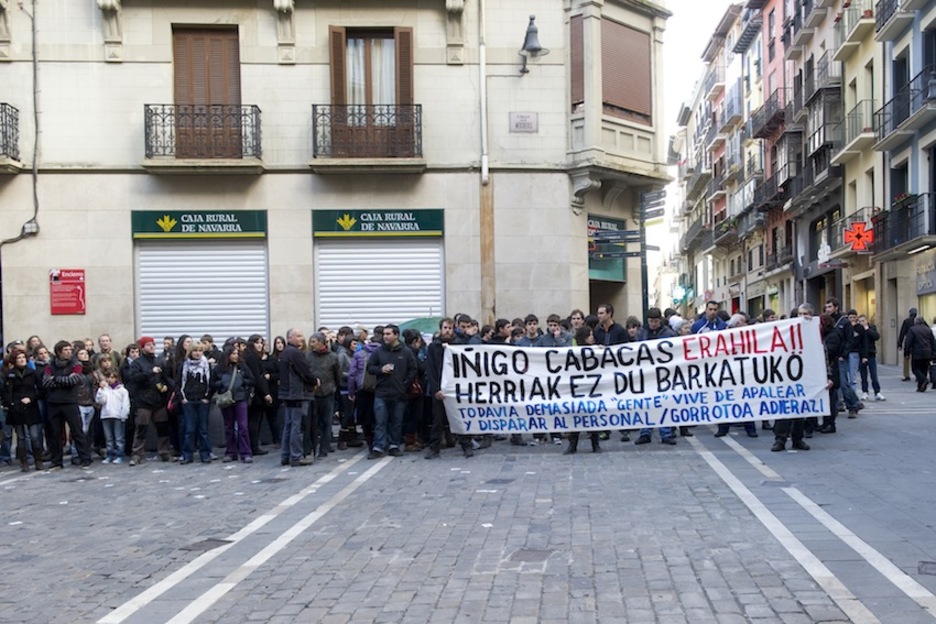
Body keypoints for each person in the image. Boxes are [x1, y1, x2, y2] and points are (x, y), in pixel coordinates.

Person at [425, 318, 474, 459]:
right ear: (441, 329)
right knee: (438, 421)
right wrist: (435, 390)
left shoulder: (459, 345)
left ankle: (466, 445)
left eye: (450, 328)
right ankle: (434, 448)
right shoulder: (433, 347)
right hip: (440, 390)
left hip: (456, 389)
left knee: (460, 418)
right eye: (445, 328)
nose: (447, 330)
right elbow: (431, 370)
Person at [366, 324, 417, 459]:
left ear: (396, 335)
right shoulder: (379, 351)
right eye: (384, 334)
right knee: (380, 421)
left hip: (399, 393)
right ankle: (378, 446)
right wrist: (381, 370)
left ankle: (394, 445)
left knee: (396, 421)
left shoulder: (405, 352)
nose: (385, 336)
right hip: (382, 393)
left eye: (388, 334)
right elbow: (370, 367)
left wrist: (405, 383)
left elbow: (413, 369)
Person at [42, 340, 93, 469]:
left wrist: (56, 379)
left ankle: (85, 459)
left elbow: (74, 379)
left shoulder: (76, 364)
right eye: (65, 350)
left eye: (70, 350)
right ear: (58, 352)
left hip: (70, 402)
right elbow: (46, 381)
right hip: (54, 402)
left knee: (77, 431)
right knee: (55, 433)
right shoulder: (50, 364)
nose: (69, 352)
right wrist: (63, 380)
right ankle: (57, 461)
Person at [634, 308, 679, 445]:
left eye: (655, 321)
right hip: (647, 374)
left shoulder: (670, 334)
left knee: (664, 403)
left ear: (660, 320)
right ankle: (645, 432)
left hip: (664, 374)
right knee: (646, 404)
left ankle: (665, 433)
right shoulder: (642, 333)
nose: (653, 324)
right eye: (651, 321)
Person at [126, 336, 172, 466]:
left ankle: (164, 452)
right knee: (141, 428)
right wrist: (150, 372)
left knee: (163, 428)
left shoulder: (159, 361)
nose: (151, 347)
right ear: (142, 347)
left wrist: (165, 386)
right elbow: (135, 378)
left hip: (158, 400)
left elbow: (164, 377)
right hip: (143, 401)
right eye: (148, 345)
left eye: (153, 344)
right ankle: (137, 454)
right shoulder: (137, 363)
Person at [772, 304, 812, 452]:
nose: (802, 317)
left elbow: (822, 355)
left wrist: (827, 376)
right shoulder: (787, 332)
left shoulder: (815, 333)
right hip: (787, 375)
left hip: (805, 375)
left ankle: (797, 439)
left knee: (800, 409)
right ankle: (780, 439)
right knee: (784, 409)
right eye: (800, 314)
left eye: (806, 314)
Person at [278, 328, 317, 467]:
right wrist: (314, 381)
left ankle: (286, 455)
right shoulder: (295, 353)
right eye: (298, 336)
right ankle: (296, 456)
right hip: (297, 394)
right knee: (297, 425)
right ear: (289, 338)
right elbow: (305, 372)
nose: (301, 338)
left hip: (288, 394)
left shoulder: (285, 353)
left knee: (289, 425)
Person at [2, 348, 45, 471]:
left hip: (31, 407)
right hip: (16, 409)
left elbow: (41, 390)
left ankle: (38, 459)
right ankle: (24, 461)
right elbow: (6, 393)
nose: (21, 360)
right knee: (21, 437)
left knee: (34, 436)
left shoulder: (33, 373)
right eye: (18, 358)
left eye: (23, 358)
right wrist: (11, 404)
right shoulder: (10, 375)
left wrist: (31, 398)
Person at [213, 344, 255, 463]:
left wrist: (242, 382)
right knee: (229, 427)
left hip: (240, 399)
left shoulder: (242, 366)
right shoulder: (219, 368)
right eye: (233, 354)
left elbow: (252, 380)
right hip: (226, 400)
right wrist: (221, 384)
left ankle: (246, 452)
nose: (236, 356)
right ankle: (231, 452)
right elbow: (212, 382)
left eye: (237, 353)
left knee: (243, 427)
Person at [177, 341, 213, 464]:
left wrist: (207, 397)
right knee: (189, 429)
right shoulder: (184, 365)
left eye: (200, 351)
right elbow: (179, 383)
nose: (197, 353)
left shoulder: (206, 365)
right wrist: (183, 398)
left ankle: (205, 454)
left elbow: (210, 383)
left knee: (203, 429)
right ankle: (187, 454)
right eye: (195, 351)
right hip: (189, 400)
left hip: (202, 400)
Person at [307, 332, 341, 459]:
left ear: (321, 343)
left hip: (327, 393)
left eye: (314, 342)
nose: (311, 344)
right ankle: (312, 447)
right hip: (312, 394)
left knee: (326, 422)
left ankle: (324, 448)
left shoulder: (332, 357)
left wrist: (333, 388)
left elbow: (338, 375)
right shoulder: (308, 356)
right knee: (313, 422)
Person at [244, 334, 273, 457]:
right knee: (254, 421)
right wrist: (265, 393)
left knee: (254, 420)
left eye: (261, 342)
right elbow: (257, 377)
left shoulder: (252, 356)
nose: (260, 345)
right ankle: (253, 446)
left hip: (256, 393)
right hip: (255, 395)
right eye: (257, 343)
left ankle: (253, 445)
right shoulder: (252, 357)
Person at [95, 369, 130, 464]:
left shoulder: (122, 390)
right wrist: (102, 390)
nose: (110, 379)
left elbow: (126, 404)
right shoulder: (104, 389)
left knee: (119, 437)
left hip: (118, 416)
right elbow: (100, 401)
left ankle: (120, 454)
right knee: (108, 437)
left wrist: (124, 415)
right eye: (108, 377)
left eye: (112, 377)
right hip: (106, 415)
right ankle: (109, 454)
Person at [903, 316, 936, 392]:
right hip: (927, 353)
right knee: (924, 369)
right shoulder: (928, 330)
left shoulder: (912, 329)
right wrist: (933, 353)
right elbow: (933, 342)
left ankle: (924, 380)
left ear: (915, 322)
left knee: (915, 369)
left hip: (917, 353)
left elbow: (908, 342)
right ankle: (921, 387)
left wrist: (906, 353)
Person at [858, 314, 884, 401]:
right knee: (863, 375)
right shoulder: (858, 330)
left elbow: (876, 336)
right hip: (861, 355)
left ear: (867, 321)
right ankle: (865, 392)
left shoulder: (871, 328)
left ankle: (877, 392)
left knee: (873, 374)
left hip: (871, 354)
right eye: (860, 321)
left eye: (863, 321)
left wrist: (867, 330)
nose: (861, 323)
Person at [897, 307, 917, 381]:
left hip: (908, 343)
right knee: (917, 360)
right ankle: (918, 375)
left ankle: (906, 375)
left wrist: (899, 344)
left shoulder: (906, 321)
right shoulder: (920, 321)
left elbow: (902, 333)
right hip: (917, 343)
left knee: (906, 359)